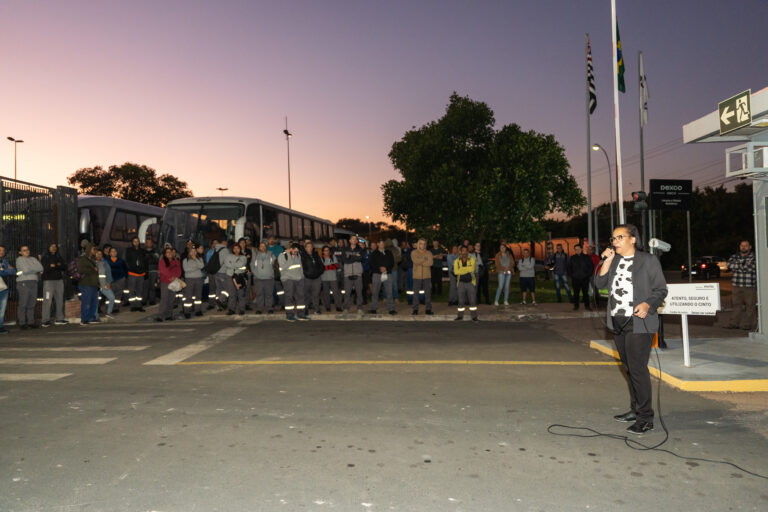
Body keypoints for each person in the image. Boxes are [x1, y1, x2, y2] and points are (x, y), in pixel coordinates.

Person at [594, 224, 667, 435]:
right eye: (613, 238)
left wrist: (647, 304)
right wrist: (606, 260)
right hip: (617, 321)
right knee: (628, 368)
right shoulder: (614, 260)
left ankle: (646, 418)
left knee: (637, 369)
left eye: (620, 237)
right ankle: (635, 410)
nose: (615, 241)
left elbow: (661, 289)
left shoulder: (648, 260)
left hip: (639, 322)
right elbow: (599, 284)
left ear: (633, 239)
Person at [727, 240, 757, 330]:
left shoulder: (754, 257)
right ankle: (734, 323)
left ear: (750, 247)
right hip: (736, 285)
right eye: (742, 245)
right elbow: (729, 265)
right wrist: (742, 265)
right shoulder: (734, 256)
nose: (743, 247)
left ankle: (747, 325)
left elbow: (751, 267)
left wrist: (737, 266)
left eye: (746, 245)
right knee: (736, 305)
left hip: (749, 286)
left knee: (750, 306)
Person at [15, 245, 43, 329]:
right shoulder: (19, 259)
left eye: (27, 249)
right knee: (23, 304)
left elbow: (41, 268)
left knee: (32, 303)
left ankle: (31, 322)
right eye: (24, 250)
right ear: (20, 252)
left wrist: (31, 268)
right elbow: (26, 271)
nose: (27, 251)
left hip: (34, 282)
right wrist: (35, 269)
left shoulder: (33, 259)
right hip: (23, 283)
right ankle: (22, 323)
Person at [278, 242, 307, 321]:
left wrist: (302, 277)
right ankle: (289, 315)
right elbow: (283, 267)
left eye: (297, 251)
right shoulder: (282, 255)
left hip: (299, 279)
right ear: (291, 249)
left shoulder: (298, 255)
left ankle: (301, 314)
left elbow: (300, 266)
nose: (295, 253)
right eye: (294, 251)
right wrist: (291, 257)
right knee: (289, 297)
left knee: (301, 296)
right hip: (288, 279)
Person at [41, 242, 67, 326]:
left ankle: (60, 318)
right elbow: (45, 268)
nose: (54, 248)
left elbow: (64, 266)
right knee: (47, 300)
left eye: (55, 247)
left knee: (60, 300)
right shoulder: (45, 257)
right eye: (52, 246)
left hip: (59, 281)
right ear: (48, 247)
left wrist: (54, 266)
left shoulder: (58, 256)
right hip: (48, 281)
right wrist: (56, 266)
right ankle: (45, 320)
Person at [368, 241, 396, 315]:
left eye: (383, 244)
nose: (381, 245)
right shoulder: (374, 253)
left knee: (389, 292)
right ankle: (374, 308)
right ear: (377, 244)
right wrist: (379, 268)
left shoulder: (389, 252)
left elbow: (392, 262)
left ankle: (391, 309)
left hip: (387, 274)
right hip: (377, 274)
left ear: (384, 244)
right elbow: (371, 263)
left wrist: (386, 268)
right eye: (380, 244)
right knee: (375, 292)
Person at [77, 242, 101, 325]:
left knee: (94, 302)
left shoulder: (92, 259)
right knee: (86, 302)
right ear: (89, 249)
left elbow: (95, 272)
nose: (95, 251)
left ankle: (91, 318)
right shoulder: (83, 259)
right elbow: (80, 270)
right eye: (94, 249)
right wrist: (93, 269)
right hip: (86, 284)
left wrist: (98, 283)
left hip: (93, 284)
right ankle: (84, 319)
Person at [454, 246, 478, 321]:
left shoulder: (472, 260)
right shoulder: (456, 261)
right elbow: (456, 272)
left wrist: (461, 270)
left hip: (470, 283)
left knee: (472, 301)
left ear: (467, 252)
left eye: (465, 251)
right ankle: (460, 316)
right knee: (460, 301)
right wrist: (466, 270)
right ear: (460, 252)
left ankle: (474, 317)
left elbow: (471, 269)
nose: (464, 252)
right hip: (461, 283)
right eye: (462, 251)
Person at [158, 246, 182, 321]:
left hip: (174, 282)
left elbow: (179, 271)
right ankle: (161, 316)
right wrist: (171, 277)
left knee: (171, 299)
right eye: (167, 252)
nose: (169, 254)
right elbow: (163, 270)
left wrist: (175, 277)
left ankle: (169, 315)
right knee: (164, 299)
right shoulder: (162, 261)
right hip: (165, 282)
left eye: (170, 252)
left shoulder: (176, 261)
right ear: (164, 254)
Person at [410, 238, 434, 315]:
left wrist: (421, 261)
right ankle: (415, 310)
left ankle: (428, 309)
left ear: (425, 245)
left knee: (428, 293)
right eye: (420, 243)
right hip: (417, 276)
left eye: (424, 243)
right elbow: (415, 261)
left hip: (427, 276)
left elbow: (430, 263)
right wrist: (424, 259)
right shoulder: (413, 252)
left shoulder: (429, 253)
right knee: (416, 294)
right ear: (418, 244)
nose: (422, 245)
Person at [567, 243, 594, 311]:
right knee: (576, 293)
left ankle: (587, 306)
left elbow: (591, 267)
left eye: (578, 249)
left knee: (585, 293)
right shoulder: (572, 258)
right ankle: (576, 306)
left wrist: (587, 275)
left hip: (585, 279)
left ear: (581, 249)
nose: (577, 250)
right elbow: (568, 268)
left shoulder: (587, 257)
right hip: (575, 279)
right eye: (576, 249)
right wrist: (572, 275)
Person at [300, 241, 325, 314]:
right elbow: (301, 268)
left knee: (316, 294)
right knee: (306, 294)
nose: (310, 248)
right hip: (307, 278)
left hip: (317, 278)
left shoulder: (316, 255)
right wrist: (307, 274)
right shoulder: (302, 256)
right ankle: (306, 309)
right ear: (305, 248)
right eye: (308, 247)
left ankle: (316, 309)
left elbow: (322, 266)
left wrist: (318, 273)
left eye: (311, 246)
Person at [224, 243, 248, 315]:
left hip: (239, 277)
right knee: (232, 294)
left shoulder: (243, 257)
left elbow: (241, 265)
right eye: (234, 248)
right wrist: (236, 265)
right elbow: (227, 264)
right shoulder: (228, 256)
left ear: (240, 249)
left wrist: (232, 264)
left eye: (237, 248)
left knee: (240, 294)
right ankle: (231, 309)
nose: (236, 250)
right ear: (232, 249)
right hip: (230, 276)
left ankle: (241, 309)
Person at [125, 237, 148, 312]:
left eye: (137, 241)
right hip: (132, 273)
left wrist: (145, 272)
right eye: (134, 241)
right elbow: (127, 261)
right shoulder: (129, 250)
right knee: (131, 290)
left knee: (140, 291)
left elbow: (145, 262)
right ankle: (133, 306)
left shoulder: (142, 251)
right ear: (132, 242)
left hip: (141, 274)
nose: (136, 242)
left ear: (139, 242)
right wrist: (131, 268)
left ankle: (139, 305)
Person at [252, 242, 276, 314]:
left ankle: (270, 308)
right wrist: (256, 273)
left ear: (266, 247)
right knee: (259, 294)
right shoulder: (256, 254)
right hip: (258, 278)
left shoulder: (271, 254)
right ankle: (259, 308)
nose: (262, 247)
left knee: (269, 294)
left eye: (264, 246)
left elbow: (275, 264)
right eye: (261, 246)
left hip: (269, 278)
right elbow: (252, 265)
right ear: (259, 247)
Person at [182, 245, 205, 318]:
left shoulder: (200, 259)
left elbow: (201, 266)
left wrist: (196, 260)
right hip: (189, 280)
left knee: (198, 296)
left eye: (195, 251)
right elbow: (186, 269)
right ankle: (187, 312)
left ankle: (198, 310)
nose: (193, 253)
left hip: (198, 279)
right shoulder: (185, 260)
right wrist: (195, 268)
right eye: (192, 251)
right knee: (188, 296)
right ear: (189, 252)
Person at [343, 236, 364, 312]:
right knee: (347, 293)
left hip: (358, 273)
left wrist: (350, 257)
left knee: (359, 293)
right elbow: (345, 260)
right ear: (349, 240)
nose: (354, 240)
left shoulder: (360, 249)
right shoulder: (344, 249)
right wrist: (355, 256)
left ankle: (359, 308)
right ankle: (346, 308)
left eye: (355, 239)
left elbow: (360, 259)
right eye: (352, 239)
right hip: (347, 274)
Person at [320, 246, 342, 312]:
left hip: (333, 278)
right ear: (323, 251)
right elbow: (322, 268)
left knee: (335, 293)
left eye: (328, 250)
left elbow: (336, 266)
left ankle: (338, 306)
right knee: (326, 294)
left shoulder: (333, 257)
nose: (327, 252)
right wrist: (331, 266)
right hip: (324, 278)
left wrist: (327, 267)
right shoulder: (321, 258)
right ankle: (327, 307)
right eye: (325, 250)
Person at [106, 247, 129, 311]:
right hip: (110, 280)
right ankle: (109, 308)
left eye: (115, 251)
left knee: (118, 295)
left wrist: (125, 278)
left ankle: (116, 308)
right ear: (109, 253)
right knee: (110, 295)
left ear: (117, 253)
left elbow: (125, 269)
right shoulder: (106, 261)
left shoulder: (121, 261)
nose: (113, 253)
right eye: (112, 251)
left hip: (120, 280)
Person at [96, 250, 116, 319]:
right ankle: (95, 316)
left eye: (100, 254)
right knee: (95, 300)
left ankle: (109, 312)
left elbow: (109, 274)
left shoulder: (105, 263)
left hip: (104, 285)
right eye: (97, 254)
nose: (99, 255)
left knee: (112, 297)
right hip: (96, 285)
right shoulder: (92, 262)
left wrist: (108, 283)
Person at [0, 246, 15, 334]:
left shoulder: (4, 261)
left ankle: (0, 326)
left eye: (3, 250)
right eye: (0, 250)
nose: (1, 252)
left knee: (2, 309)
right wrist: (5, 270)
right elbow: (4, 272)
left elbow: (13, 271)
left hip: (3, 288)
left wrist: (4, 270)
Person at [143, 238, 160, 306]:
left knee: (152, 287)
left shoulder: (156, 251)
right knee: (145, 286)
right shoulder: (143, 252)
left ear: (152, 243)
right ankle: (144, 300)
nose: (149, 243)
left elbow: (157, 260)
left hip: (154, 271)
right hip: (145, 271)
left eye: (150, 242)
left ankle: (152, 300)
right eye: (147, 242)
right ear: (145, 243)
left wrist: (150, 257)